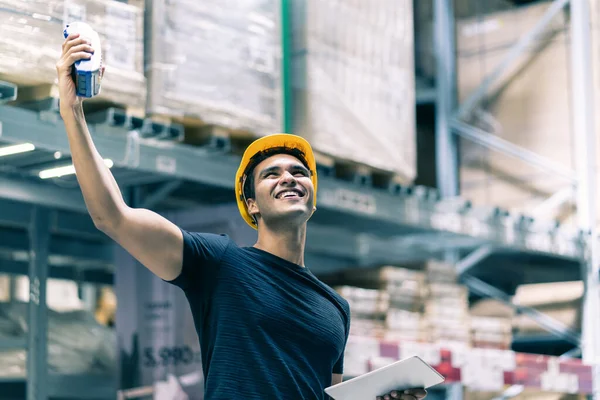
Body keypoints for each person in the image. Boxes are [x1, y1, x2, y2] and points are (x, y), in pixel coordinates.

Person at [56, 32, 429, 400]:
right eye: (272, 174)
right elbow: (112, 217)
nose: (288, 177)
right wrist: (71, 111)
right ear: (251, 204)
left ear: (311, 201)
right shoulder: (221, 265)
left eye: (299, 173)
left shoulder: (335, 307)